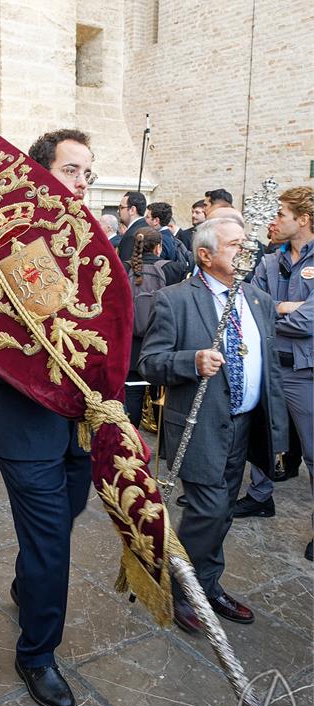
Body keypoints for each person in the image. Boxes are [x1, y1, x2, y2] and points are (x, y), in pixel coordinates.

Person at [0, 129, 96, 706]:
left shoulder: (85, 242)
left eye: (87, 175)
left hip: (80, 422)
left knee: (65, 517)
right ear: (41, 173)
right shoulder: (10, 242)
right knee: (52, 541)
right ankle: (38, 655)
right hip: (27, 426)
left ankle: (28, 585)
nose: (80, 184)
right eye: (71, 171)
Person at [138, 218, 287, 634]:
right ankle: (185, 591)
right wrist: (192, 362)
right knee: (208, 509)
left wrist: (276, 431)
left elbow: (269, 367)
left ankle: (208, 583)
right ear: (205, 255)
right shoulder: (175, 300)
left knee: (222, 513)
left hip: (244, 424)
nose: (247, 253)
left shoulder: (256, 299)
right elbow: (150, 363)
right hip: (199, 427)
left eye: (247, 245)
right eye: (236, 246)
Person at [233, 187, 313, 561]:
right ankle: (261, 497)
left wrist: (275, 310)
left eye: (282, 213)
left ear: (304, 219)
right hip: (267, 363)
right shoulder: (268, 262)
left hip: (303, 370)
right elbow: (253, 309)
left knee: (312, 451)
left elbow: (308, 321)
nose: (274, 220)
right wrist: (284, 308)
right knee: (263, 434)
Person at [124, 227, 169, 428]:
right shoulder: (172, 269)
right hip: (161, 342)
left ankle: (130, 444)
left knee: (132, 394)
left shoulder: (124, 268)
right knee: (161, 394)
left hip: (131, 345)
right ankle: (163, 450)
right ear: (159, 247)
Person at [117, 190, 147, 262]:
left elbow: (126, 267)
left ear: (132, 210)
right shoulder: (147, 228)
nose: (118, 211)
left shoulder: (131, 235)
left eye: (121, 207)